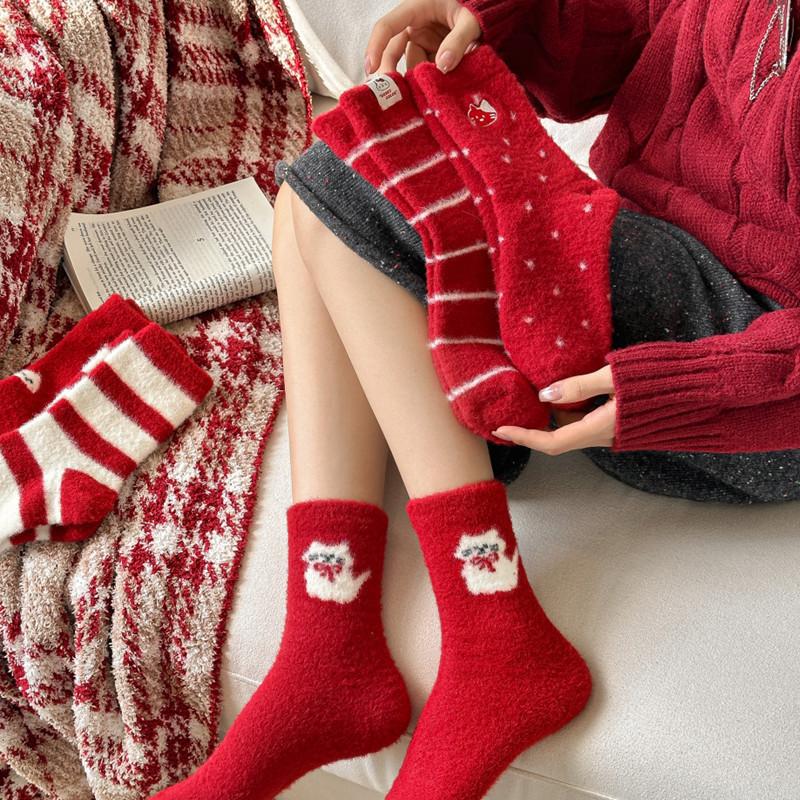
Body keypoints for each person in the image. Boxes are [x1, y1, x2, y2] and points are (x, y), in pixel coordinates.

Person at [154, 1, 800, 799]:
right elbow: (636, 35)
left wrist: (678, 390)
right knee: (320, 184)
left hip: (757, 379)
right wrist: (498, 24)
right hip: (647, 265)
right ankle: (327, 634)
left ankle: (487, 630)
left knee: (347, 178)